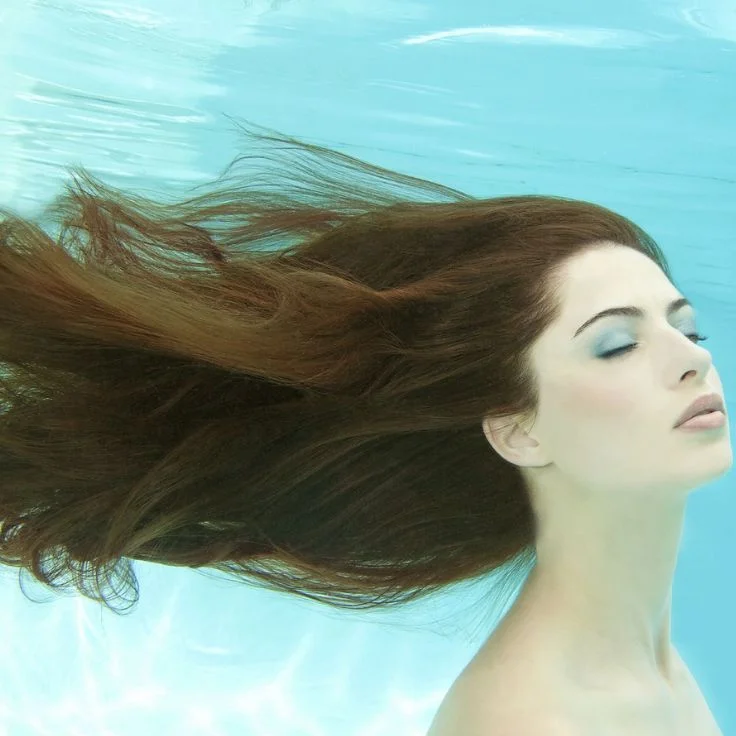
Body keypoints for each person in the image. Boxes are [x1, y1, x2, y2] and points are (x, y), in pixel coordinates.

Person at [0, 119, 728, 732]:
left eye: (687, 328)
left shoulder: (639, 672)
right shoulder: (537, 715)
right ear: (517, 431)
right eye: (616, 344)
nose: (691, 362)